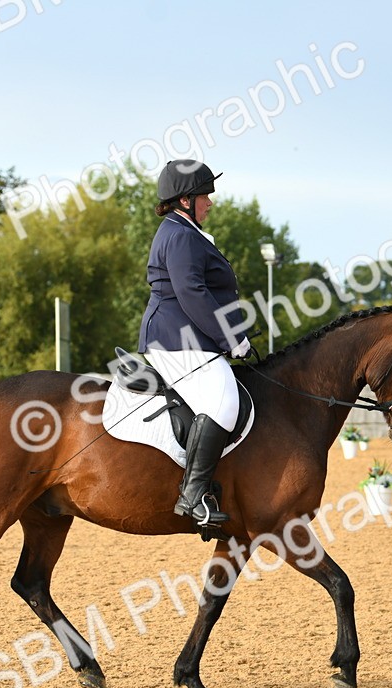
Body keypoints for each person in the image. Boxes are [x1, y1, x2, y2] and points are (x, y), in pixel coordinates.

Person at [137, 159, 252, 534]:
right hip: (177, 339)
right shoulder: (181, 235)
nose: (211, 202)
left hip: (184, 336)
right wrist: (230, 337)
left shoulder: (181, 231)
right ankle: (194, 494)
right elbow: (192, 292)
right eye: (206, 195)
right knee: (222, 400)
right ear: (185, 200)